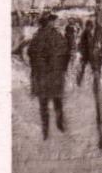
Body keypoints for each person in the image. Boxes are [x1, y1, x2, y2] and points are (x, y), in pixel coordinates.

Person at [26, 11, 71, 139]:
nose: (55, 23)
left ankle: (45, 131)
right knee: (57, 101)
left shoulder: (36, 37)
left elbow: (30, 54)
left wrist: (36, 68)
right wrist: (62, 68)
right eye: (53, 21)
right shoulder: (57, 36)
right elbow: (66, 53)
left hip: (41, 76)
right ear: (49, 23)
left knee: (43, 104)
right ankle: (60, 125)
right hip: (55, 75)